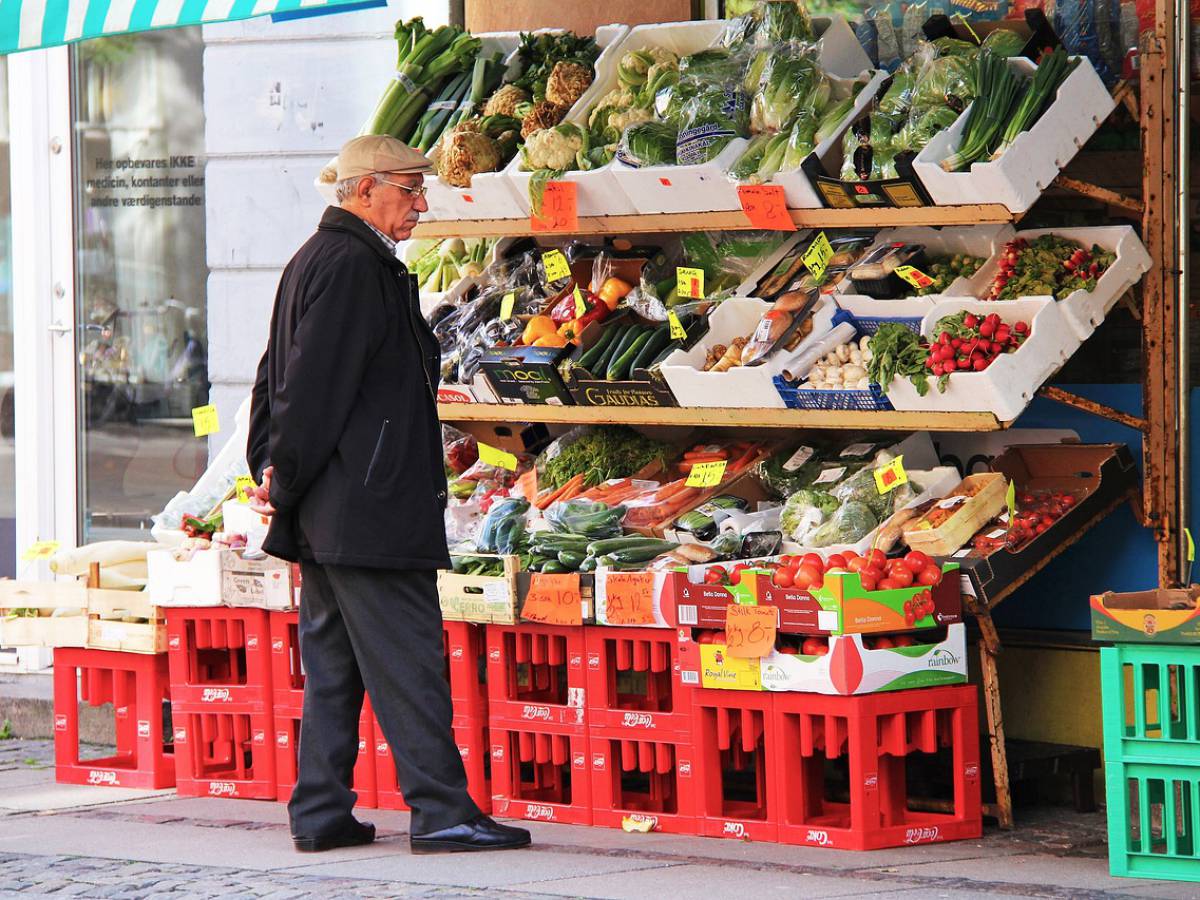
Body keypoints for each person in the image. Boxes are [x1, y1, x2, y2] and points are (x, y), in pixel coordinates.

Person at [246, 134, 531, 856]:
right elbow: (305, 388)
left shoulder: (322, 259)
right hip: (366, 506)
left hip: (336, 506)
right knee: (408, 661)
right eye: (409, 189)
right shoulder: (351, 266)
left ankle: (320, 811)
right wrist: (284, 472)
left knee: (335, 668)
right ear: (364, 190)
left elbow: (272, 373)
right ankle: (442, 811)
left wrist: (275, 472)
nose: (420, 203)